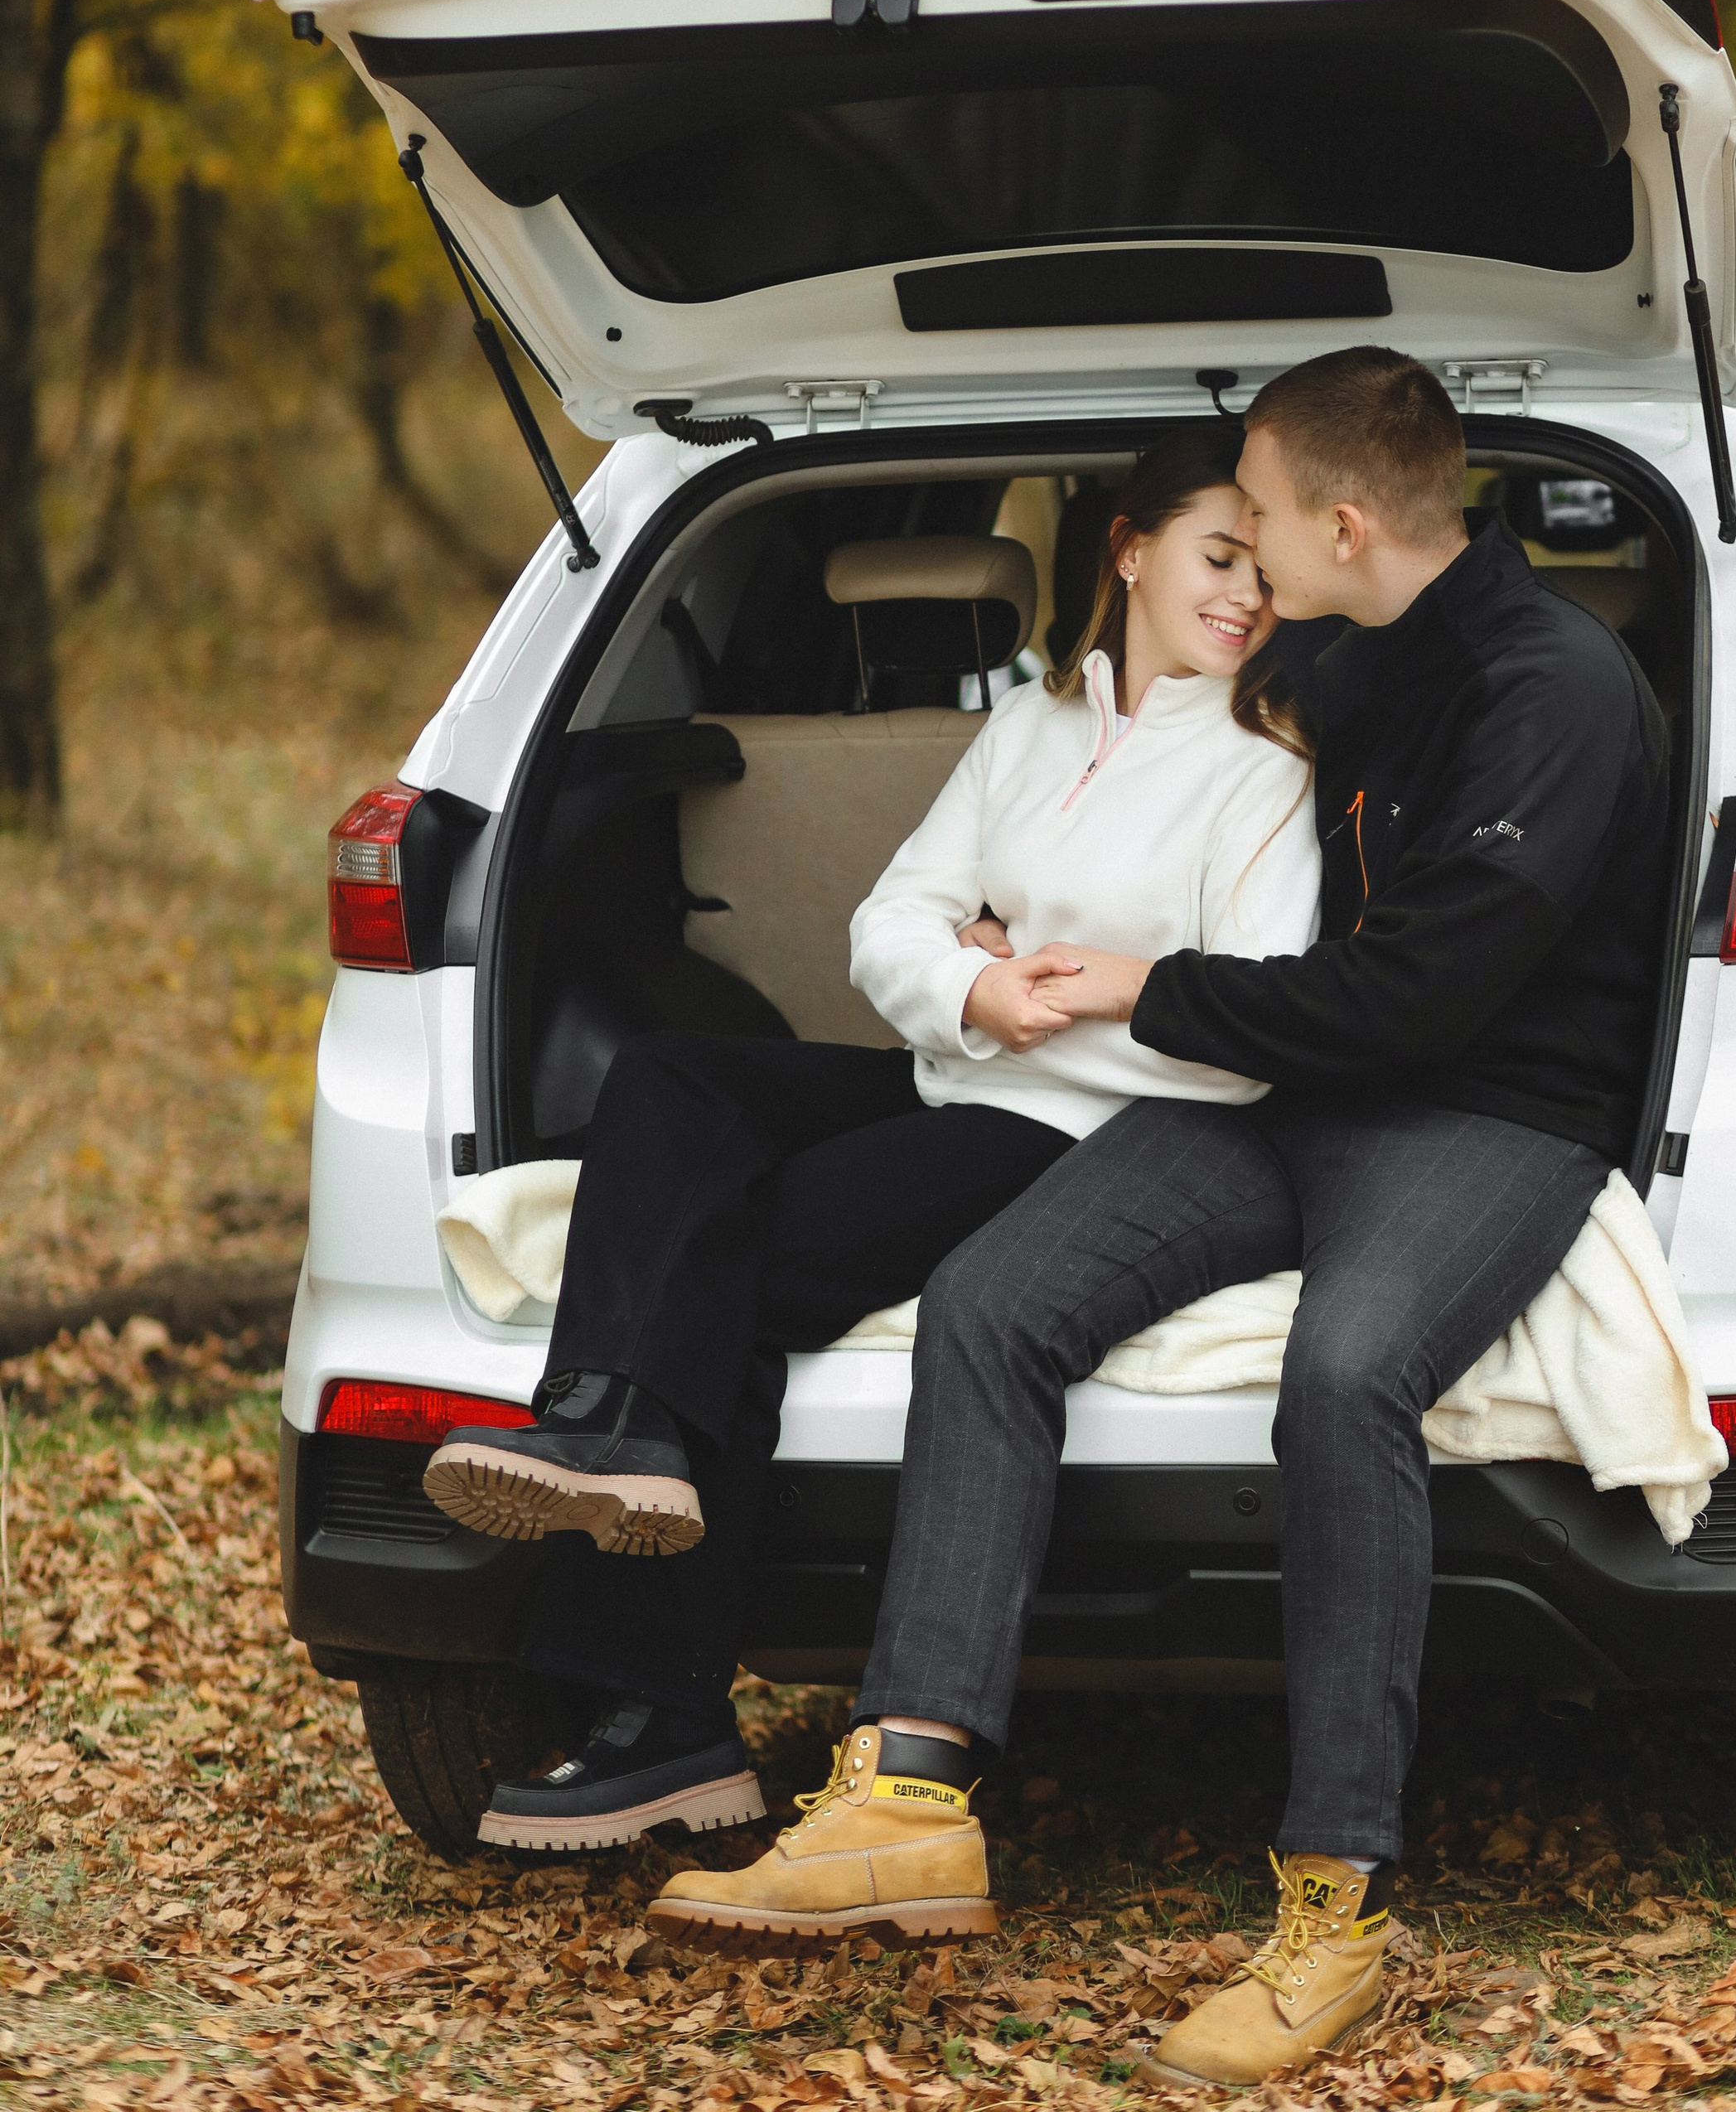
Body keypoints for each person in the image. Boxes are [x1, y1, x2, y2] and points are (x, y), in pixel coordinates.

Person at [650, 347, 1671, 2090]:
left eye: (1259, 515)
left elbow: (1415, 999)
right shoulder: (1331, 659)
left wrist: (1138, 984)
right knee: (992, 1303)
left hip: (1486, 1116)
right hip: (1292, 1095)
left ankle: (1333, 1908)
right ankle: (908, 1798)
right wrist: (990, 944)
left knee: (1342, 1376)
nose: (1243, 551)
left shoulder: (1555, 688)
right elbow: (1148, 764)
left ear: (1341, 527)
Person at [423, 427, 1318, 1855]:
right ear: (1131, 549)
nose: (1245, 598)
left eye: (1267, 575)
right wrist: (971, 985)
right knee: (667, 1080)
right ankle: (607, 1419)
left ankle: (663, 1718)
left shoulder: (1265, 762)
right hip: (952, 1067)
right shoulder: (1026, 730)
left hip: (1082, 1130)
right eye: (1220, 558)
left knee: (733, 1258)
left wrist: (1062, 990)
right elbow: (886, 921)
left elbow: (1256, 1011)